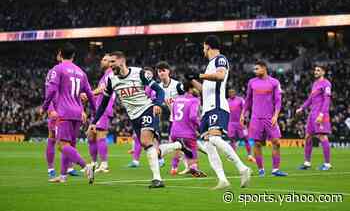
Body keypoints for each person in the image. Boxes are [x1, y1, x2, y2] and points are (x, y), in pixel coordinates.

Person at [88, 51, 193, 188]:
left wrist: (157, 104)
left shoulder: (139, 73)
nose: (110, 65)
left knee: (145, 141)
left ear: (122, 61)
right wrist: (94, 122)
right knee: (153, 150)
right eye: (109, 62)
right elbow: (103, 104)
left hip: (147, 110)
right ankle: (178, 145)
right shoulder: (111, 80)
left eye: (112, 62)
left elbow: (159, 91)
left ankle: (157, 179)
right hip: (133, 117)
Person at [186, 35, 251, 190]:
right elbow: (205, 90)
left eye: (203, 47)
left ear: (207, 46)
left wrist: (200, 75)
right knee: (207, 145)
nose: (203, 50)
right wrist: (192, 80)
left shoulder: (220, 59)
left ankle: (243, 168)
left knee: (214, 140)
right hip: (207, 109)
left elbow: (221, 76)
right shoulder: (209, 65)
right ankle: (222, 179)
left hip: (217, 106)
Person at [41, 42, 96, 183]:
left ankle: (86, 166)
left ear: (60, 53)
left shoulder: (57, 69)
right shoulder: (81, 72)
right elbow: (89, 93)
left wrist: (45, 106)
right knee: (69, 145)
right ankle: (63, 176)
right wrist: (95, 111)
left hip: (64, 112)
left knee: (61, 145)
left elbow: (52, 90)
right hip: (78, 113)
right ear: (74, 55)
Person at [241, 60, 288, 177]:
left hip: (269, 117)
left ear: (264, 68)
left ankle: (275, 170)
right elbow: (248, 100)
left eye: (257, 69)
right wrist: (243, 113)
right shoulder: (252, 82)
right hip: (256, 118)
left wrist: (276, 115)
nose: (254, 71)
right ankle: (261, 170)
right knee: (257, 143)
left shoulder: (274, 82)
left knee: (276, 142)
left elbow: (278, 101)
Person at [296, 65, 332, 171]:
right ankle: (307, 163)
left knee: (322, 137)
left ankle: (327, 164)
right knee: (308, 137)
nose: (315, 72)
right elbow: (310, 99)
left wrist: (322, 114)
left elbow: (327, 100)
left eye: (318, 70)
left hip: (321, 114)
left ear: (323, 72)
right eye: (315, 70)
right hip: (312, 114)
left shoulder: (326, 83)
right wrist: (302, 108)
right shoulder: (315, 84)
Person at [227, 88, 255, 162]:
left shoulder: (240, 100)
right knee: (232, 139)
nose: (231, 93)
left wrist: (245, 118)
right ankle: (233, 156)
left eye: (232, 92)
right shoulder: (227, 101)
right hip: (231, 123)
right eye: (229, 92)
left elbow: (246, 109)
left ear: (235, 93)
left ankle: (249, 155)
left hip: (240, 123)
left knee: (246, 139)